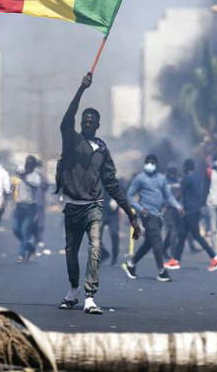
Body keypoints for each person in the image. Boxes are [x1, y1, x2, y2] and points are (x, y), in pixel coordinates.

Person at [56, 73, 140, 315]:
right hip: (73, 206)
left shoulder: (102, 149)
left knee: (95, 248)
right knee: (71, 253)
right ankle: (73, 291)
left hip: (94, 206)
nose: (88, 124)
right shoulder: (71, 140)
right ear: (81, 123)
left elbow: (112, 184)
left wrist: (131, 214)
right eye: (85, 120)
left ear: (98, 125)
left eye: (92, 121)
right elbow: (66, 120)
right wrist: (81, 89)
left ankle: (90, 296)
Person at [122, 155, 183, 282]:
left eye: (152, 163)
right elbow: (130, 196)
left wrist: (178, 206)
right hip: (147, 214)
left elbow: (168, 196)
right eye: (148, 162)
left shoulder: (161, 179)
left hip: (158, 214)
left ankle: (131, 264)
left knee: (149, 243)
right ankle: (162, 271)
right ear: (145, 164)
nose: (150, 164)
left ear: (156, 164)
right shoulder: (140, 178)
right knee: (157, 242)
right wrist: (140, 208)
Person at [172, 158, 217, 271]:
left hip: (189, 211)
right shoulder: (198, 178)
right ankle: (175, 261)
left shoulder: (186, 178)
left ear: (185, 168)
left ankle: (214, 257)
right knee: (182, 235)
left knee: (196, 236)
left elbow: (180, 193)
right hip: (196, 210)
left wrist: (171, 202)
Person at [12, 155, 41, 263]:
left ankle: (21, 254)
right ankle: (31, 248)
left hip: (29, 207)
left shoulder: (35, 176)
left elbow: (35, 185)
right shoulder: (21, 175)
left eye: (29, 164)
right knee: (15, 229)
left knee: (25, 231)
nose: (27, 166)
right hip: (19, 206)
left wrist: (24, 178)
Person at [162, 166, 183, 270]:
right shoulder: (163, 181)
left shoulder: (179, 181)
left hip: (177, 210)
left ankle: (164, 249)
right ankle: (173, 255)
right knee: (173, 231)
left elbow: (181, 193)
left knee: (172, 232)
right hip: (168, 209)